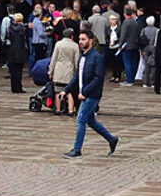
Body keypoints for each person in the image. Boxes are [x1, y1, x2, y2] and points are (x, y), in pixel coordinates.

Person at [63, 29, 119, 157]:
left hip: (92, 95)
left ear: (90, 41)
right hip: (85, 93)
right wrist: (66, 90)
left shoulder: (97, 57)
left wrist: (85, 92)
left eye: (83, 39)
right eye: (80, 39)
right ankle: (111, 139)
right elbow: (77, 76)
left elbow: (98, 78)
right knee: (90, 121)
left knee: (81, 119)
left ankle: (77, 149)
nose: (80, 42)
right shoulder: (82, 57)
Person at [47, 26, 79, 115]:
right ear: (71, 36)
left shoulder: (58, 44)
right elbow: (76, 61)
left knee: (57, 91)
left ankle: (57, 110)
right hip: (69, 71)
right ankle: (71, 110)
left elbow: (54, 58)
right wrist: (77, 72)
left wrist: (51, 71)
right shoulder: (75, 46)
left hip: (58, 70)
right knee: (69, 93)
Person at [5, 12, 30, 93]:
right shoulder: (23, 29)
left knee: (13, 71)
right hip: (20, 51)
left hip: (12, 50)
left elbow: (8, 37)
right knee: (19, 71)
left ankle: (13, 87)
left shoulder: (10, 28)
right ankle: (18, 87)